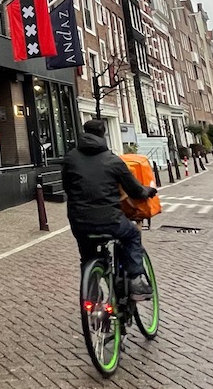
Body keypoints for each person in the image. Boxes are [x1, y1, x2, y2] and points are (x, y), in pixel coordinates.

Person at [61, 119, 157, 295]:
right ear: (103, 134)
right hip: (110, 221)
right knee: (132, 235)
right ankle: (135, 280)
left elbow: (67, 187)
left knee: (87, 256)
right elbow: (135, 191)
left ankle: (91, 292)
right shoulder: (113, 160)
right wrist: (149, 191)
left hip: (79, 222)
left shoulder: (70, 158)